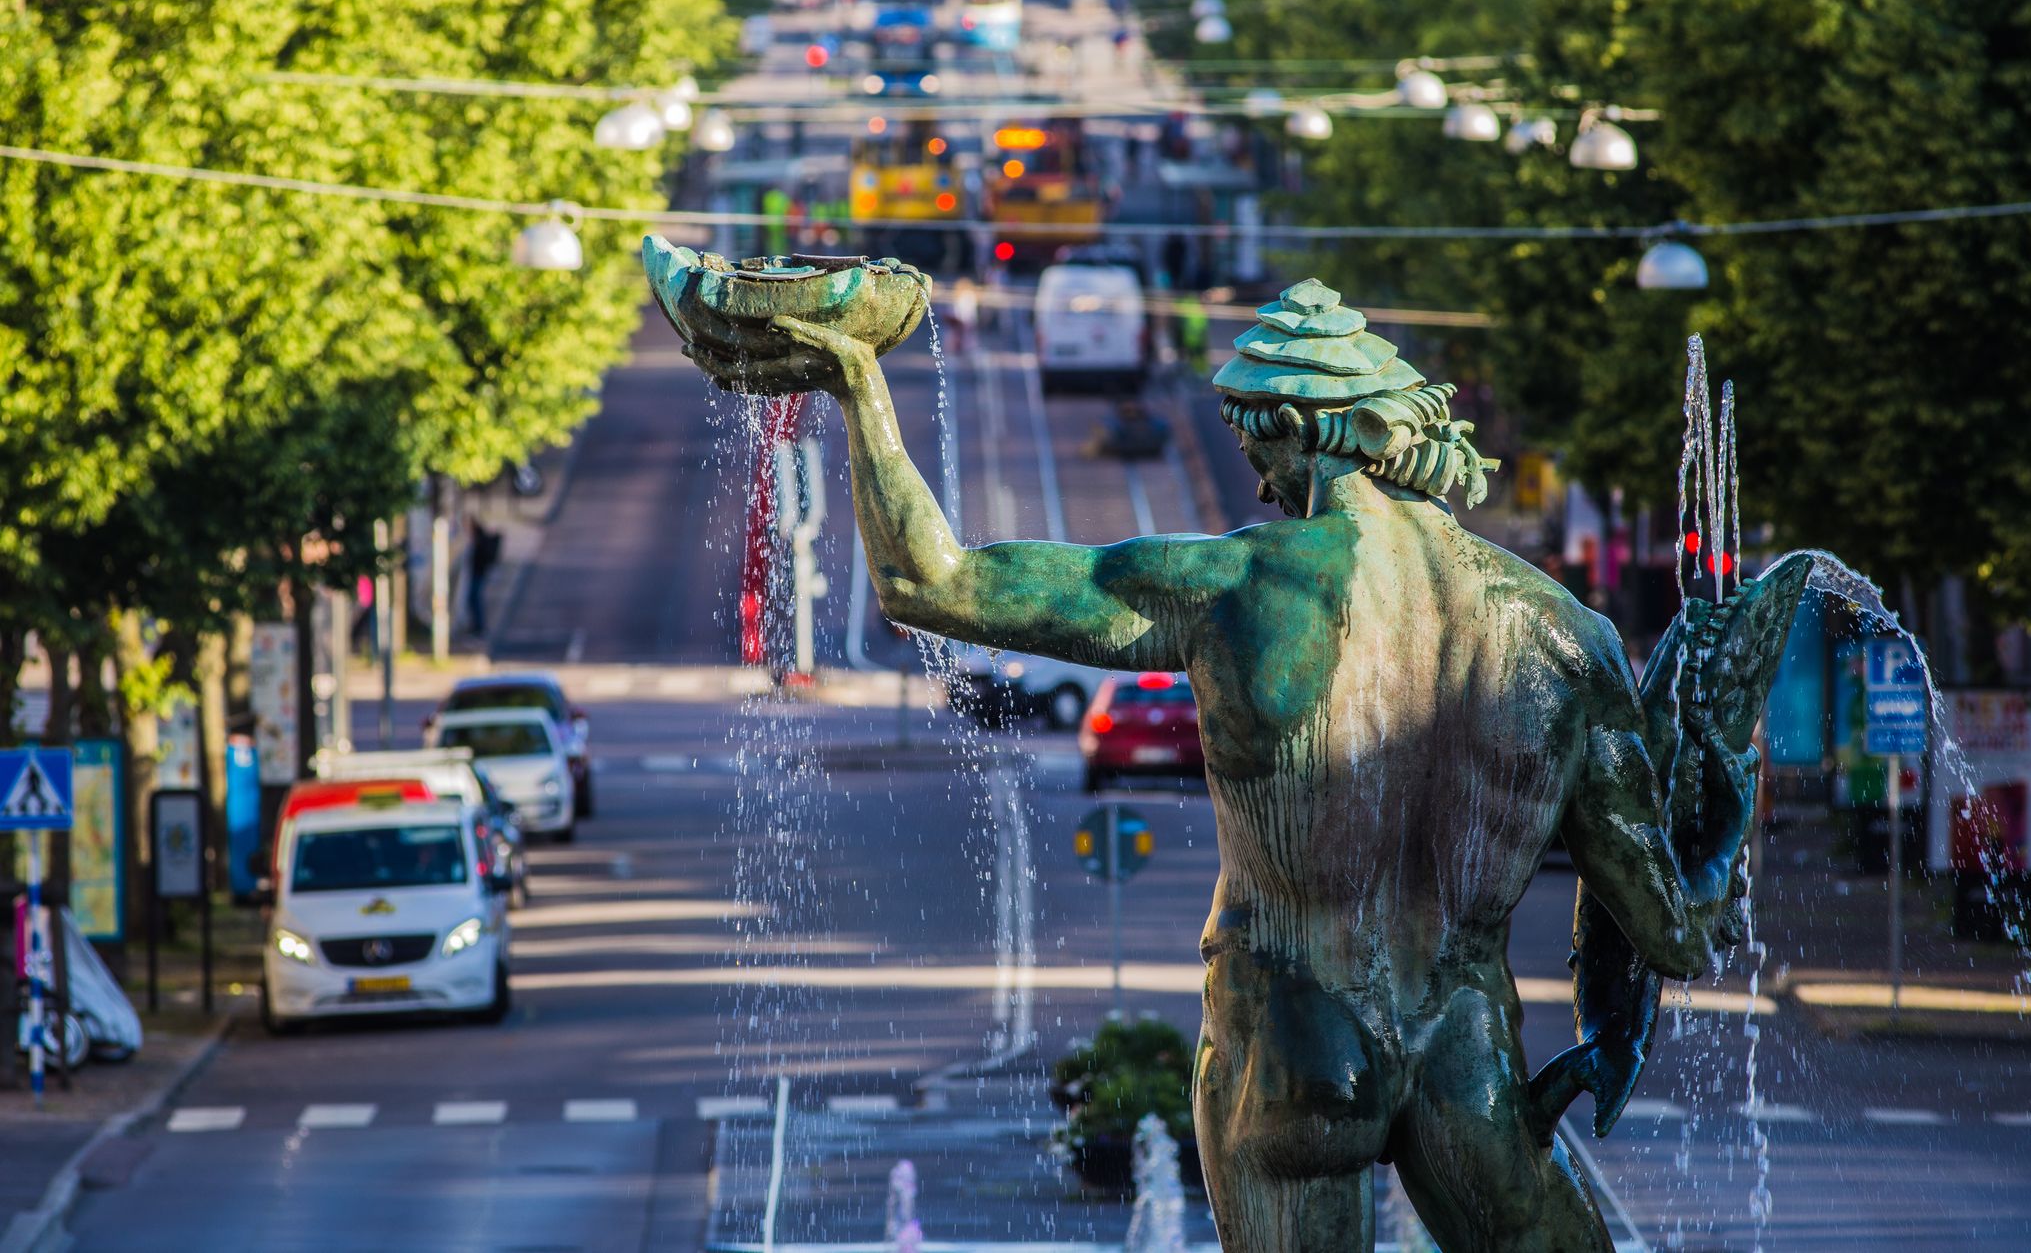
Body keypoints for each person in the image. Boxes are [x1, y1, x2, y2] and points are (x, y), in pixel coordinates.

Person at [652, 251, 1783, 1252]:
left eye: (1258, 448)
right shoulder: (1565, 638)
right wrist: (1718, 814)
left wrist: (857, 381)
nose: (1256, 483)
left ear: (1301, 434)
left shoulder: (1234, 582)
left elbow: (927, 582)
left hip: (1295, 1037)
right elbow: (1674, 933)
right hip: (1466, 1061)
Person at [464, 515, 502, 638]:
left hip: (478, 574)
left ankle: (479, 627)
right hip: (478, 574)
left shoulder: (479, 539)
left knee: (475, 599)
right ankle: (477, 626)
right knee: (474, 599)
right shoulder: (478, 538)